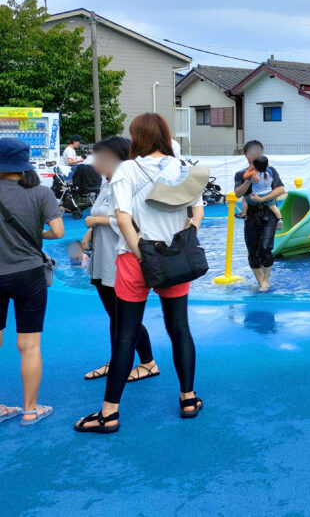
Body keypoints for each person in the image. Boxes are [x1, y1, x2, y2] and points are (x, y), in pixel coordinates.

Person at [75, 113, 205, 434]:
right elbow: (197, 211)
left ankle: (109, 414)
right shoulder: (186, 168)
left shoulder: (127, 169)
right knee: (179, 329)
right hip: (175, 258)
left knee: (126, 334)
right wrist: (182, 242)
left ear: (137, 138)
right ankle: (188, 399)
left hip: (135, 260)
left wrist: (141, 254)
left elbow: (122, 218)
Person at [79, 136, 158, 384]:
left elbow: (134, 222)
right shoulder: (108, 182)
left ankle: (148, 362)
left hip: (119, 258)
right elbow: (101, 214)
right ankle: (117, 361)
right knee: (114, 316)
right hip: (103, 258)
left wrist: (98, 222)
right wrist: (91, 230)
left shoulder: (130, 183)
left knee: (124, 317)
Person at [0, 138, 64, 426]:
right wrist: (40, 236)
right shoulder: (41, 193)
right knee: (29, 345)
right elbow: (59, 232)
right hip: (29, 274)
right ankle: (30, 409)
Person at [234, 140, 285, 291]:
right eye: (253, 152)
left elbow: (281, 189)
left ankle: (266, 280)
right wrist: (249, 181)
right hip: (251, 217)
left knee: (265, 248)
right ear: (246, 155)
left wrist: (263, 199)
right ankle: (260, 281)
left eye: (259, 152)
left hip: (269, 215)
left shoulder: (270, 171)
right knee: (253, 251)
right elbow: (238, 194)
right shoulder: (242, 175)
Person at [249, 156, 283, 224]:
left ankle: (243, 214)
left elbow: (245, 176)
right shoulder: (270, 172)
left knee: (245, 199)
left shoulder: (254, 174)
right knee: (273, 207)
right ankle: (280, 219)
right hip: (269, 193)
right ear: (267, 165)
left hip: (256, 194)